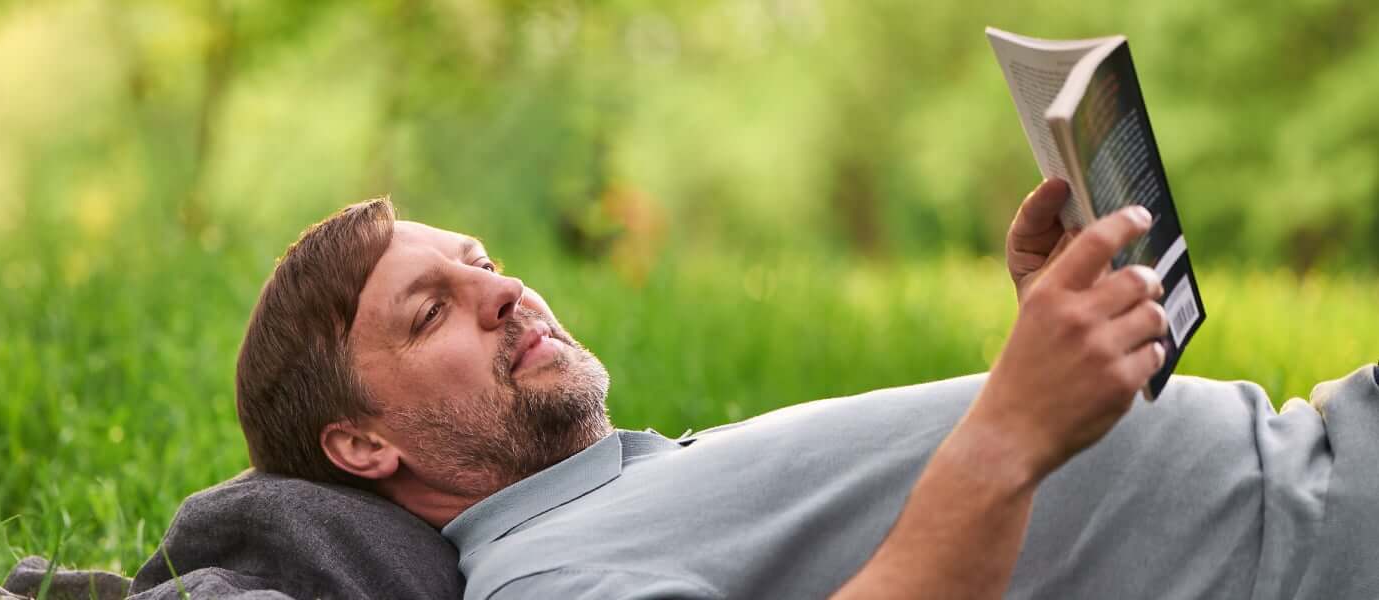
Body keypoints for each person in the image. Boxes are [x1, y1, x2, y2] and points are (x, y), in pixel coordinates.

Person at [232, 179, 1379, 599]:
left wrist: (1052, 355)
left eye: (482, 261)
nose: (502, 290)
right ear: (362, 447)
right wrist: (1012, 431)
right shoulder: (542, 574)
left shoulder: (640, 482)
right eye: (429, 310)